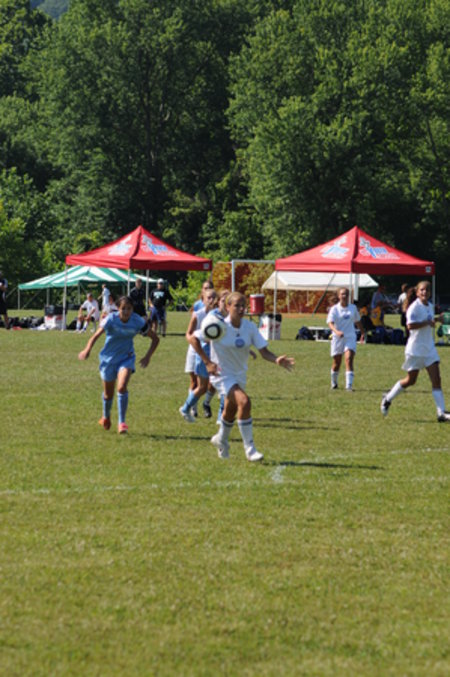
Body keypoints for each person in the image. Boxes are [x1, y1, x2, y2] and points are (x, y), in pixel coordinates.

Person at [189, 291, 295, 462]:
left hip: (239, 374)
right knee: (244, 402)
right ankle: (250, 449)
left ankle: (221, 439)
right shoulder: (219, 326)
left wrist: (276, 360)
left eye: (243, 306)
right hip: (222, 375)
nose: (241, 309)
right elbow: (193, 338)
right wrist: (207, 362)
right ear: (228, 306)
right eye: (236, 305)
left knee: (230, 410)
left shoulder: (249, 327)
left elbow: (264, 351)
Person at [78, 295, 159, 434]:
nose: (126, 312)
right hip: (108, 359)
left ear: (132, 309)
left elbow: (155, 339)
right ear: (118, 308)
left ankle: (122, 423)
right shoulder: (111, 319)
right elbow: (95, 336)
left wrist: (148, 357)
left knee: (121, 387)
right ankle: (106, 416)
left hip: (126, 358)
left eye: (129, 309)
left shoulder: (137, 321)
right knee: (108, 395)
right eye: (123, 309)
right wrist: (87, 350)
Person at [381, 280, 450, 422]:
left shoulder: (430, 306)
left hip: (429, 349)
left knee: (437, 379)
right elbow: (410, 326)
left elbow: (429, 322)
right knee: (410, 380)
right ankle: (388, 398)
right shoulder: (414, 307)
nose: (424, 292)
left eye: (427, 290)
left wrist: (438, 320)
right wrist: (427, 323)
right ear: (417, 292)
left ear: (430, 293)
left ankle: (441, 413)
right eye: (422, 290)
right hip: (415, 350)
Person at [179, 289, 218, 422]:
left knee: (214, 382)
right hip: (196, 350)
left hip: (213, 351)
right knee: (196, 383)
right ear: (203, 299)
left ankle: (206, 404)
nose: (211, 300)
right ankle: (191, 408)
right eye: (209, 297)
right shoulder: (198, 314)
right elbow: (189, 334)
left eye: (214, 297)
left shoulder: (219, 315)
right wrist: (197, 342)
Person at [327, 288, 365, 391]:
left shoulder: (353, 308)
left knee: (349, 359)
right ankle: (334, 383)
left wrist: (362, 332)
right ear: (339, 296)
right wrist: (336, 332)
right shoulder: (334, 309)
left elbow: (357, 321)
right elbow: (330, 323)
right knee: (337, 362)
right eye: (342, 294)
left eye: (346, 294)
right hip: (337, 338)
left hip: (350, 337)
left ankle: (349, 386)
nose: (344, 296)